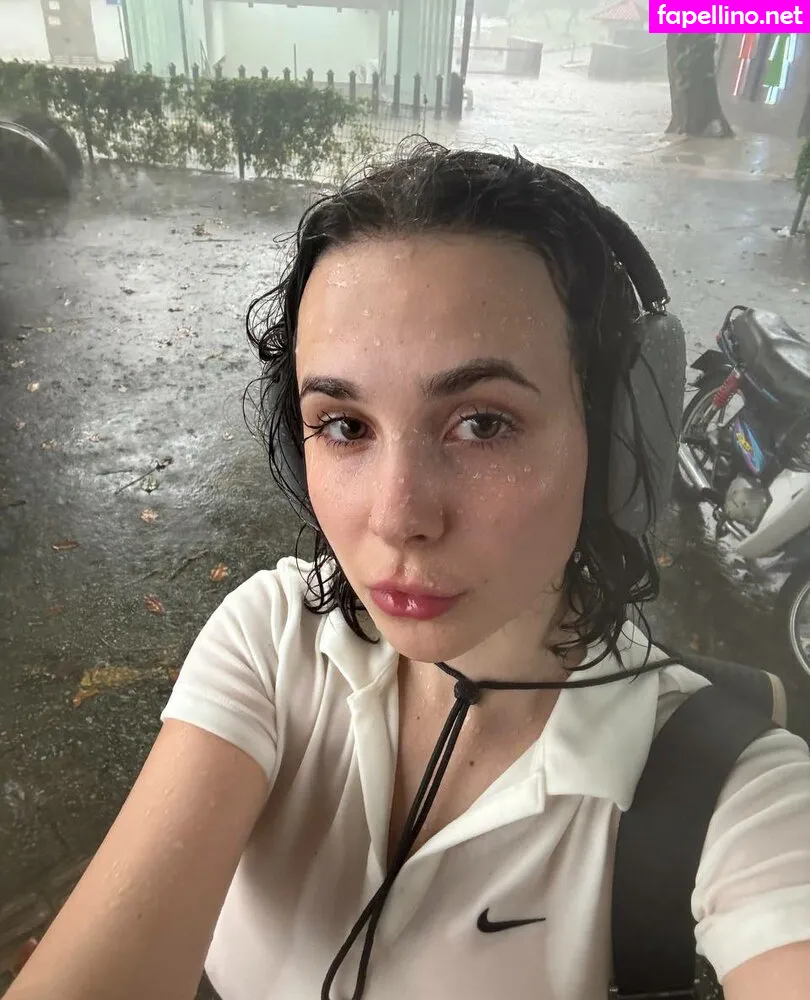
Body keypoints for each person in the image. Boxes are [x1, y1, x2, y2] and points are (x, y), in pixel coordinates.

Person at [7, 142, 810, 1000]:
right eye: (344, 425)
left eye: (483, 424)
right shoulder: (273, 642)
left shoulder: (736, 794)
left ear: (617, 442)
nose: (396, 517)